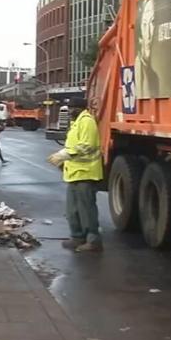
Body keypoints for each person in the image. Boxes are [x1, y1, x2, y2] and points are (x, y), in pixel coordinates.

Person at [61, 96, 104, 252]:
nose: (70, 111)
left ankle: (93, 240)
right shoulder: (76, 123)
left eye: (72, 108)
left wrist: (64, 155)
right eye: (69, 108)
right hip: (74, 174)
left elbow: (87, 146)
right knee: (72, 210)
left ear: (80, 108)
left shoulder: (87, 121)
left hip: (86, 173)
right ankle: (77, 237)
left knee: (86, 209)